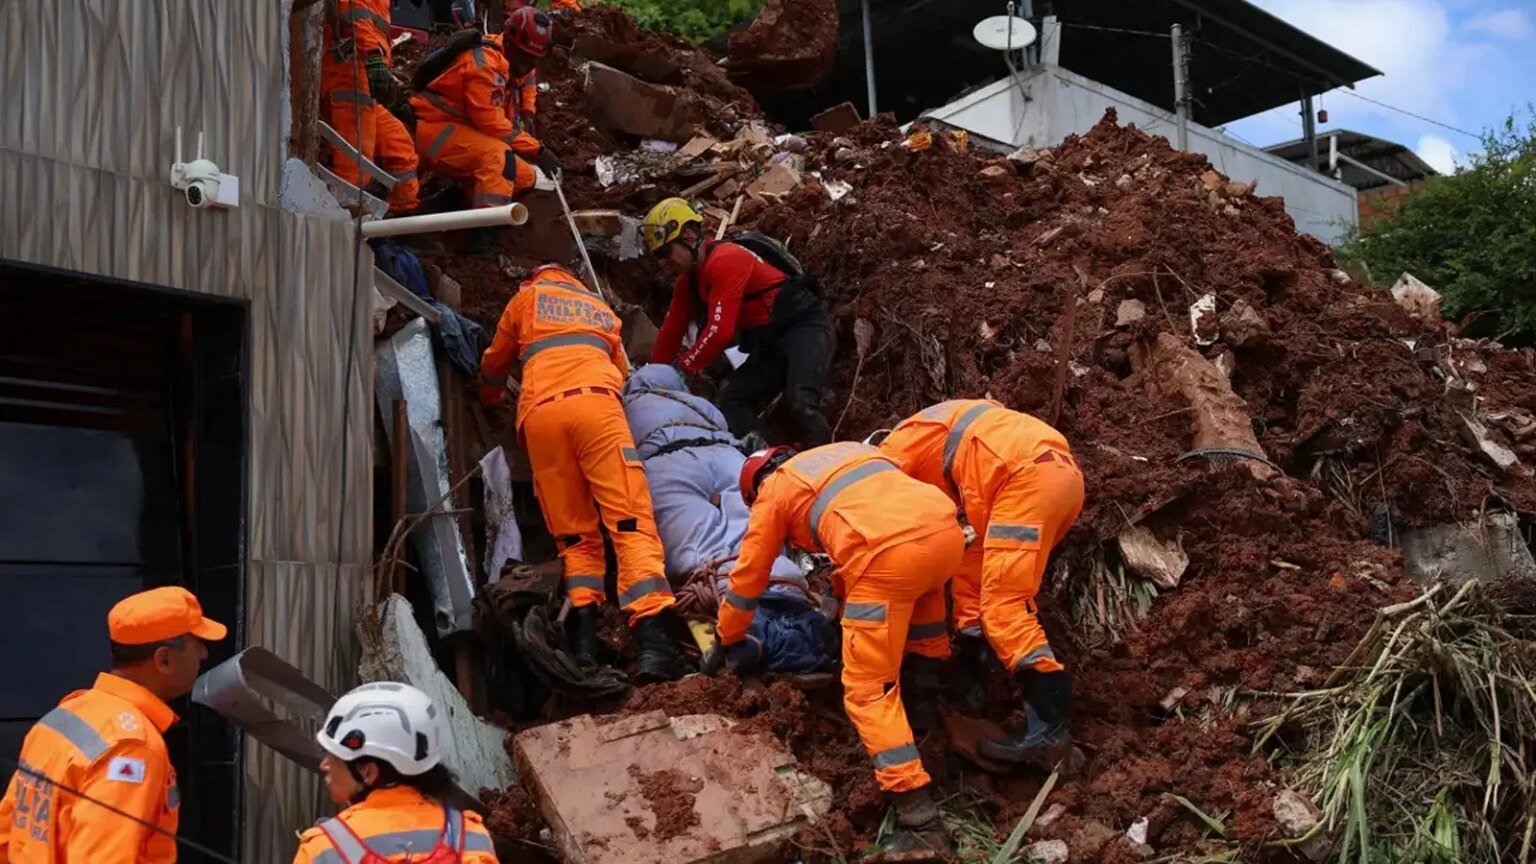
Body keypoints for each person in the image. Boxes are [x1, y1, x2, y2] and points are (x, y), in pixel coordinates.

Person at [711, 442, 964, 854]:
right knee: (924, 619)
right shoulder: (844, 453)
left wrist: (727, 636)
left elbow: (748, 578)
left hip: (885, 556)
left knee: (867, 689)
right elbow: (879, 510)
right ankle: (924, 716)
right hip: (944, 533)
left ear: (756, 486)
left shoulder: (774, 490)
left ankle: (919, 818)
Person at [479, 265, 688, 682]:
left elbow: (495, 363)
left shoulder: (526, 299)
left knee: (574, 536)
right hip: (597, 409)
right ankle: (654, 643)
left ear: (534, 278)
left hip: (541, 416)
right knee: (629, 523)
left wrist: (488, 397)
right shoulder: (598, 307)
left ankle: (584, 644)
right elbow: (623, 375)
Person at [876, 400, 1084, 766]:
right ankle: (973, 673)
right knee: (974, 570)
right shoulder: (946, 426)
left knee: (1005, 605)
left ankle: (1050, 729)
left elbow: (891, 535)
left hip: (1021, 481)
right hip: (1060, 477)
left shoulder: (888, 459)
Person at [621, 364, 829, 673]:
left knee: (696, 544)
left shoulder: (625, 410)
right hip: (727, 458)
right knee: (756, 535)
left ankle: (736, 608)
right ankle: (782, 588)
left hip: (665, 464)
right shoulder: (699, 404)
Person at [0, 586, 226, 863]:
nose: (204, 654)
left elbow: (8, 834)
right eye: (197, 643)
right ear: (164, 659)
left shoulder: (65, 716)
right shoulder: (132, 747)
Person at [641, 198, 835, 450]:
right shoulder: (687, 284)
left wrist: (684, 367)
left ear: (688, 236)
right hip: (767, 345)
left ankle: (829, 459)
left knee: (801, 402)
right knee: (731, 402)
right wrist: (651, 379)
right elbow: (671, 332)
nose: (662, 263)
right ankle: (765, 459)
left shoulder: (726, 259)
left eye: (665, 252)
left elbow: (720, 331)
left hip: (804, 327)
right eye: (657, 256)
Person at [294, 682, 499, 863]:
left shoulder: (323, 850)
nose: (324, 765)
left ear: (368, 772)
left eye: (335, 756)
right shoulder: (471, 839)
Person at [410, 9, 559, 251]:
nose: (528, 64)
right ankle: (482, 231)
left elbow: (528, 78)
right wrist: (538, 151)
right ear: (509, 43)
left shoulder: (514, 58)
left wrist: (528, 111)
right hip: (434, 131)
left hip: (462, 132)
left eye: (534, 58)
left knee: (524, 177)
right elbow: (490, 124)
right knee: (498, 156)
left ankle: (452, 200)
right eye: (525, 56)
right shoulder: (485, 65)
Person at [322, 0, 420, 215]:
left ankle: (403, 216)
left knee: (399, 146)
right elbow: (355, 14)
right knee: (354, 168)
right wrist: (374, 58)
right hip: (348, 78)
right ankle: (343, 222)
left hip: (362, 80)